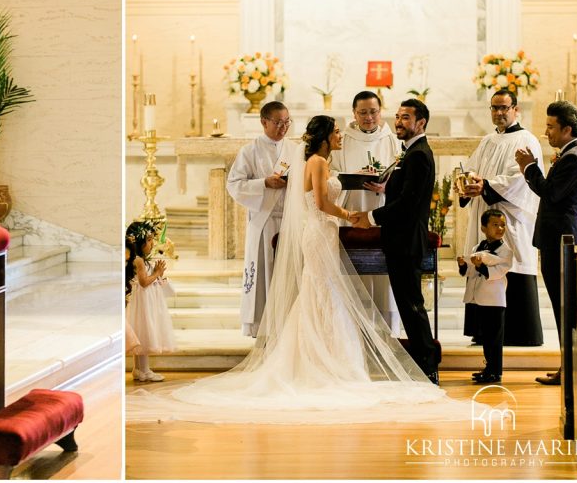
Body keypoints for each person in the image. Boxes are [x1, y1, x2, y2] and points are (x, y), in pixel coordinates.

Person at [127, 116, 462, 425]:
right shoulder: (316, 162)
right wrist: (349, 217)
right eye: (335, 132)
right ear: (324, 138)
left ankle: (327, 358)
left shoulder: (322, 161)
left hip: (324, 232)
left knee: (321, 291)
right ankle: (320, 360)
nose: (340, 135)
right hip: (319, 231)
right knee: (321, 289)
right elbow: (319, 203)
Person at [354, 99, 439, 384]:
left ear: (421, 123)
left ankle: (427, 365)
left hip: (407, 240)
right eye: (398, 117)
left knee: (412, 305)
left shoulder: (418, 154)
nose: (399, 122)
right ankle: (422, 362)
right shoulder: (410, 152)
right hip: (400, 239)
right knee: (408, 304)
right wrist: (386, 186)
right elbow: (404, 191)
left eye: (405, 118)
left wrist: (372, 217)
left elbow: (408, 204)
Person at [515, 100, 577, 386]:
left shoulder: (573, 158)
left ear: (566, 129)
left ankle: (570, 370)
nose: (546, 132)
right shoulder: (571, 153)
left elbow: (550, 193)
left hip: (562, 241)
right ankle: (567, 367)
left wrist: (529, 167)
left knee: (565, 308)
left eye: (550, 127)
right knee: (564, 308)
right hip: (559, 239)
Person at [459, 89, 543, 346]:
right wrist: (467, 183)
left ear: (516, 109)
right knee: (483, 263)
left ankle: (517, 333)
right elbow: (472, 168)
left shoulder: (526, 140)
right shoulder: (487, 140)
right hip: (484, 214)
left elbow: (521, 180)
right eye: (494, 108)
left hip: (509, 218)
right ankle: (484, 331)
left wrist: (485, 185)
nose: (498, 113)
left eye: (504, 108)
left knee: (511, 263)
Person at [330, 90, 401, 335]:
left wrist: (387, 184)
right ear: (354, 113)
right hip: (352, 210)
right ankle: (353, 328)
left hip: (383, 210)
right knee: (354, 272)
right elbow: (331, 173)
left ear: (381, 112)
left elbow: (402, 174)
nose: (369, 117)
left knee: (385, 274)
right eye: (363, 112)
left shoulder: (392, 139)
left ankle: (386, 330)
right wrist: (351, 178)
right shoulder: (342, 140)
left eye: (373, 112)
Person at [226, 101, 298, 336]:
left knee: (286, 274)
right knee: (264, 272)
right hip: (264, 221)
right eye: (278, 122)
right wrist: (264, 183)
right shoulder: (250, 151)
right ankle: (262, 326)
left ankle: (287, 324)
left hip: (289, 219)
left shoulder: (295, 150)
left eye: (287, 122)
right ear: (264, 122)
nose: (283, 127)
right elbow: (234, 184)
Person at [458, 210, 513, 384]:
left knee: (495, 339)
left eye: (502, 225)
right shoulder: (478, 247)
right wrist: (463, 266)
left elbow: (498, 272)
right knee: (486, 338)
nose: (500, 228)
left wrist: (481, 265)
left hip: (494, 300)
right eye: (495, 224)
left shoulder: (506, 251)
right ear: (483, 227)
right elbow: (471, 271)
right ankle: (489, 368)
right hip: (479, 298)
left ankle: (495, 372)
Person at [125, 220, 175, 383]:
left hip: (144, 299)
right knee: (144, 331)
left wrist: (155, 272)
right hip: (143, 300)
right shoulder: (138, 260)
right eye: (149, 240)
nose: (152, 243)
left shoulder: (140, 259)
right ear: (139, 241)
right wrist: (157, 273)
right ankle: (144, 370)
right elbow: (144, 282)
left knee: (141, 332)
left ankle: (138, 369)